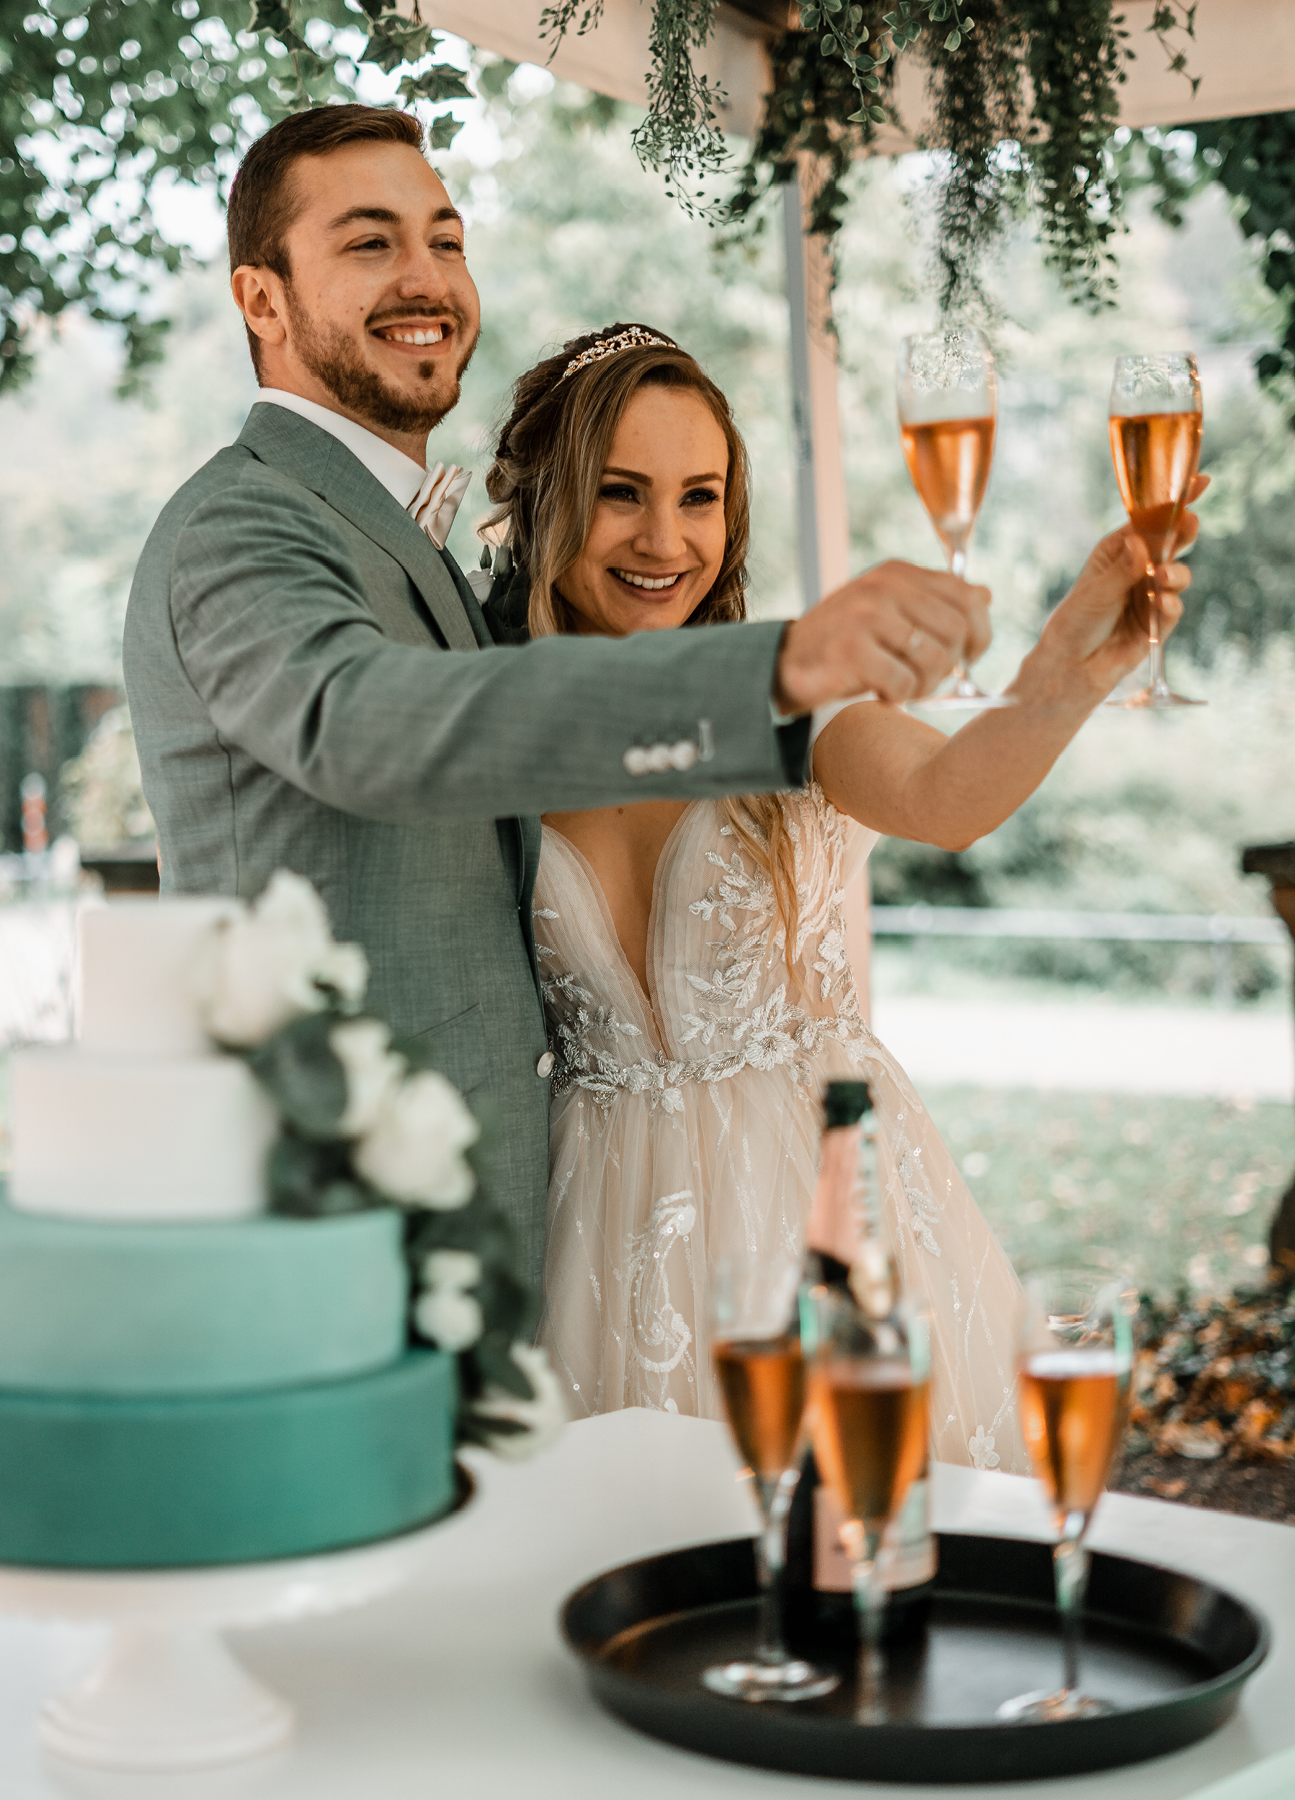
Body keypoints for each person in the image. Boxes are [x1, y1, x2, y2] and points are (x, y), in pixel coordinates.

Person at [123, 104, 992, 1297]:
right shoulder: (245, 521)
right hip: (317, 1225)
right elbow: (374, 723)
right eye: (369, 243)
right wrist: (774, 669)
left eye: (446, 238)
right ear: (262, 301)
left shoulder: (395, 538)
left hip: (494, 1230)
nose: (425, 277)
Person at [480, 325, 1202, 1471]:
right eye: (621, 495)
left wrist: (1063, 678)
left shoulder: (785, 698)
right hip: (590, 1228)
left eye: (700, 497)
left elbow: (946, 794)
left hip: (812, 1204)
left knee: (861, 1553)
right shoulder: (481, 737)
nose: (666, 539)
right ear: (544, 509)